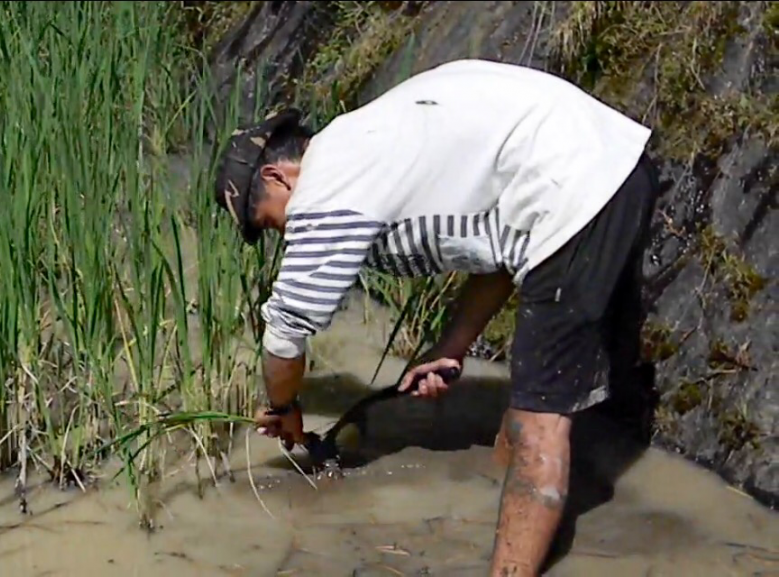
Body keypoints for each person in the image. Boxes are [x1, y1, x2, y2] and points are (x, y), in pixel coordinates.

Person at [212, 58, 661, 576]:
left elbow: (285, 332)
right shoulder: (367, 140)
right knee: (537, 397)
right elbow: (502, 250)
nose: (287, 236)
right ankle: (497, 503)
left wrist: (284, 407)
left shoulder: (325, 187)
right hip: (617, 166)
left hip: (574, 190)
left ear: (277, 175)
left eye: (272, 222)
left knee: (541, 421)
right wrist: (452, 347)